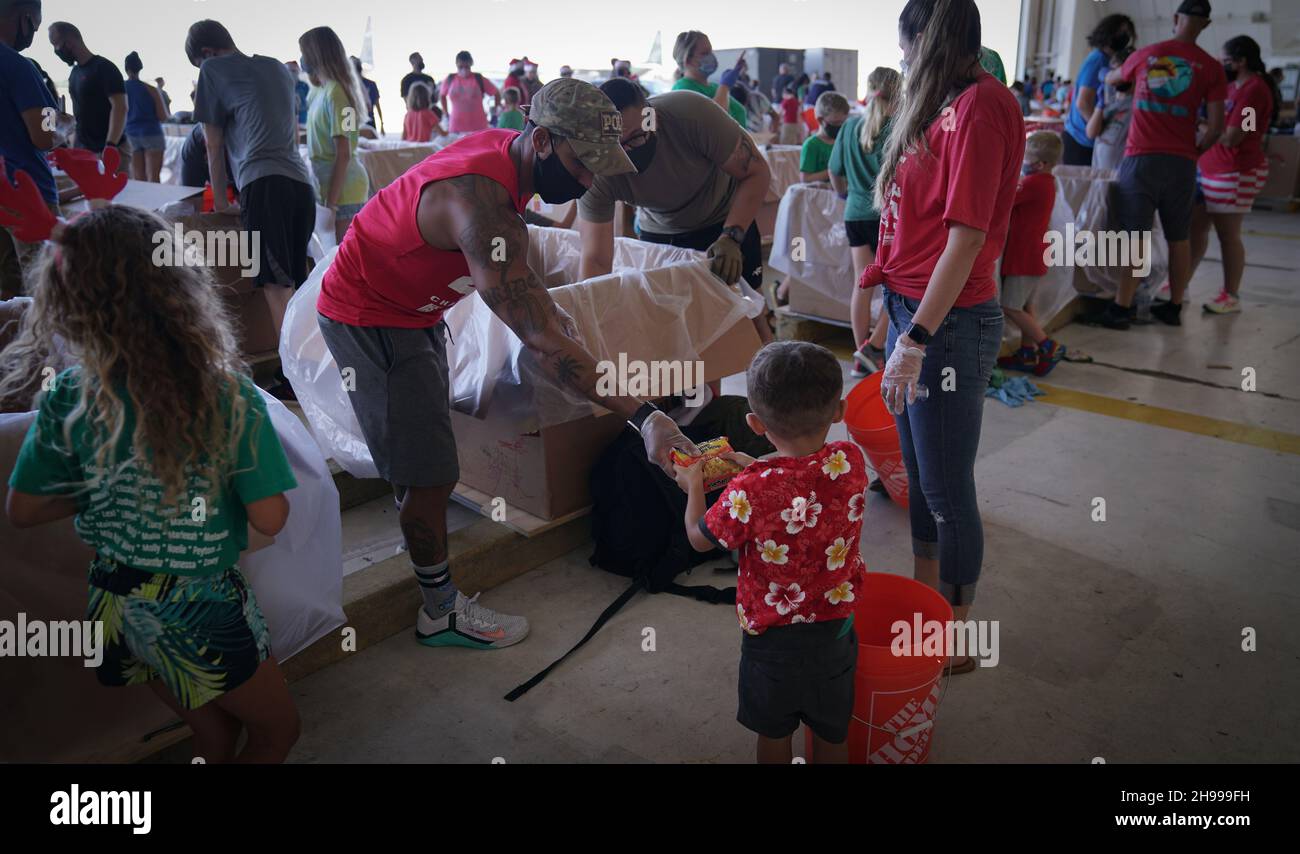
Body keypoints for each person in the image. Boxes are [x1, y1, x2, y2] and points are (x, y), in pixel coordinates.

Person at [316, 78, 697, 650]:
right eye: (582, 163)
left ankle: (421, 536)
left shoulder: (508, 158)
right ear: (542, 140)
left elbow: (529, 304)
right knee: (431, 470)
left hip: (415, 308)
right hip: (370, 315)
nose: (590, 181)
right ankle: (439, 612)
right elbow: (542, 341)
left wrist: (543, 316)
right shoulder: (481, 206)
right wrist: (645, 416)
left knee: (426, 448)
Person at [2, 205, 301, 763]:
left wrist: (110, 489)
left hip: (116, 603)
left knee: (213, 731)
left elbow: (24, 509)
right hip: (198, 606)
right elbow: (271, 518)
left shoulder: (69, 393)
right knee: (277, 731)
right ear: (179, 288)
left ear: (67, 304)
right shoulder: (225, 396)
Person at [859, 0, 1023, 668]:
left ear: (926, 41)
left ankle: (957, 632)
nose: (902, 62)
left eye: (906, 49)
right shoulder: (936, 105)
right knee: (920, 479)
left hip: (947, 324)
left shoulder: (984, 106)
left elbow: (967, 237)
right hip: (911, 309)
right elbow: (912, 220)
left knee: (948, 490)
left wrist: (917, 337)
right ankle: (926, 604)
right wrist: (876, 284)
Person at [674, 340, 865, 764]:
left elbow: (699, 537)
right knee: (833, 731)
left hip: (771, 640)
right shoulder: (850, 461)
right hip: (835, 631)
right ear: (839, 411)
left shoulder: (751, 490)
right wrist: (752, 466)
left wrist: (692, 488)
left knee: (774, 732)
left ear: (755, 423)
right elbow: (799, 480)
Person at [576, 78, 774, 345]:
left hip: (724, 219)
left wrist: (732, 236)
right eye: (615, 146)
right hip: (661, 236)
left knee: (752, 320)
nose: (626, 153)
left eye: (636, 137)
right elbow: (596, 260)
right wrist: (587, 324)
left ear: (650, 114)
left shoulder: (691, 114)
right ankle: (707, 389)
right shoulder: (596, 168)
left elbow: (756, 171)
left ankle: (773, 381)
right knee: (684, 335)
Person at [1089, 0, 1226, 329]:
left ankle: (1121, 308)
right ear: (1205, 25)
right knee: (1179, 237)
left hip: (1141, 158)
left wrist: (1116, 78)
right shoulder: (1211, 67)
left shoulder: (1148, 54)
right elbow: (1218, 125)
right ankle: (1174, 306)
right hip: (1181, 163)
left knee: (1135, 236)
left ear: (1176, 18)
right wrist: (1195, 149)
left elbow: (1113, 78)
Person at [187, 18, 316, 306]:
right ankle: (313, 350)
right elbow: (292, 132)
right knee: (300, 282)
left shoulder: (212, 68)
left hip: (263, 184)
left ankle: (289, 353)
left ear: (206, 53)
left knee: (275, 284)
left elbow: (212, 142)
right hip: (301, 185)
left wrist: (220, 202)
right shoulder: (277, 68)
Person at [1191, 35, 1280, 315]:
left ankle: (1231, 294)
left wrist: (1203, 125)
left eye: (1226, 60)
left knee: (1228, 235)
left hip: (1235, 171)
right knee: (1195, 228)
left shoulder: (1254, 91)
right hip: (1211, 168)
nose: (1222, 65)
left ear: (1241, 61)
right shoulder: (1233, 87)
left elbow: (1235, 137)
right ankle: (1179, 282)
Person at [829, 66, 899, 380]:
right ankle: (877, 345)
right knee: (894, 285)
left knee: (863, 283)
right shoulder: (899, 127)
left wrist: (845, 194)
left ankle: (861, 353)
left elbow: (835, 171)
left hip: (855, 213)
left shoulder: (849, 127)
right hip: (890, 217)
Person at [0, 0, 56, 301]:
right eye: (34, 25)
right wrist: (61, 124)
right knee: (46, 292)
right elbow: (44, 136)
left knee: (7, 294)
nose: (32, 32)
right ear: (23, 18)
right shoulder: (20, 67)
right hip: (28, 193)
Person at [998, 131, 1065, 375]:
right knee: (1025, 306)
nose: (1023, 163)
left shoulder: (1034, 184)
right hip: (1034, 255)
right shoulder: (1048, 182)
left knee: (1010, 306)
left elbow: (1002, 199)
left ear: (1041, 164)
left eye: (1027, 159)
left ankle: (1048, 346)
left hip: (1024, 257)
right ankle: (1027, 354)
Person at [300, 27, 370, 244]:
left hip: (345, 191)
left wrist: (331, 205)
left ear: (316, 54)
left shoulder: (338, 93)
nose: (301, 58)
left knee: (341, 261)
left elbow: (345, 151)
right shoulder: (316, 92)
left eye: (304, 51)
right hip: (327, 188)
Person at [1062, 14, 1136, 166]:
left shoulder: (1106, 60)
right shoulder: (1098, 59)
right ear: (1108, 32)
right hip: (1081, 140)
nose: (1125, 37)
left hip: (1088, 138)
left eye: (1128, 33)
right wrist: (1100, 129)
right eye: (1121, 32)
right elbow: (1083, 102)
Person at [47, 21, 126, 157]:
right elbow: (80, 114)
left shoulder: (104, 67)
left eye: (56, 44)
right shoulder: (74, 74)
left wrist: (111, 145)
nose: (56, 50)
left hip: (110, 149)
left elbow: (120, 107)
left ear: (70, 42)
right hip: (85, 150)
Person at [670, 31, 748, 127]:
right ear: (688, 60)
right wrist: (725, 86)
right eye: (705, 53)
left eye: (711, 51)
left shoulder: (714, 88)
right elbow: (714, 120)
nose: (711, 56)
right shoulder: (682, 89)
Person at [1085, 48, 1133, 171]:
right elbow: (1091, 133)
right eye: (1113, 72)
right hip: (1099, 172)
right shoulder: (1110, 102)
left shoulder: (1136, 103)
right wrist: (1099, 106)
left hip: (1120, 173)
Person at [122, 51, 167, 182]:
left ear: (126, 69)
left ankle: (142, 203)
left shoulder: (120, 90)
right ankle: (156, 203)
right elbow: (163, 116)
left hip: (131, 135)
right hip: (152, 133)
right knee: (154, 179)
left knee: (139, 179)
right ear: (140, 68)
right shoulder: (151, 89)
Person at [440, 50, 499, 133]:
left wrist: (494, 112)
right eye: (460, 67)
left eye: (467, 67)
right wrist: (446, 114)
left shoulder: (479, 78)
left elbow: (496, 93)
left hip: (479, 128)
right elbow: (442, 96)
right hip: (456, 128)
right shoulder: (450, 79)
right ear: (456, 64)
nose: (464, 69)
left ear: (471, 64)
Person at [799, 91, 848, 183]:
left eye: (843, 122)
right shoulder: (811, 145)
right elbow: (805, 179)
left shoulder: (844, 141)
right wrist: (835, 170)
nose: (840, 126)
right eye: (836, 122)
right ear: (821, 120)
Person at [352, 56, 383, 135]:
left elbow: (376, 104)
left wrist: (382, 124)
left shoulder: (370, 84)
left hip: (367, 122)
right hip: (356, 122)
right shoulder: (348, 87)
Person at [285, 60, 309, 125]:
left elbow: (309, 104)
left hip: (303, 122)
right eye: (290, 71)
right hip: (288, 124)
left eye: (295, 71)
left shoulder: (304, 86)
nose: (292, 73)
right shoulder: (282, 88)